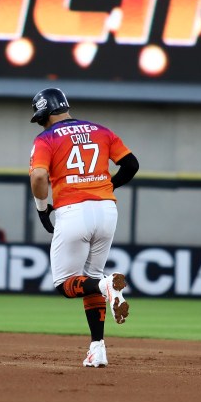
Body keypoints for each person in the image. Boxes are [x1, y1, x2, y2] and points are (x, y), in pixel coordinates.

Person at [27, 87, 139, 368]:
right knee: (90, 278)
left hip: (73, 211)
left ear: (43, 114)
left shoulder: (45, 138)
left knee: (64, 285)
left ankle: (106, 285)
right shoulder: (101, 130)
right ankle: (97, 348)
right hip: (107, 210)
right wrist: (106, 186)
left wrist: (42, 209)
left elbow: (39, 176)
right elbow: (131, 164)